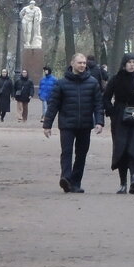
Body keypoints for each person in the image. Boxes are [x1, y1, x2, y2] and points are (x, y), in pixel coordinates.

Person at [42, 53, 104, 193]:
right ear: (72, 64)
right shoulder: (61, 83)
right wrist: (47, 124)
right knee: (67, 152)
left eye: (84, 63)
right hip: (67, 124)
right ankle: (66, 178)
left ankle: (75, 182)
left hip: (85, 124)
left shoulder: (93, 82)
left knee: (81, 154)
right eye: (79, 63)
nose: (82, 65)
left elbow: (98, 104)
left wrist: (99, 122)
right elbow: (53, 105)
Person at [102, 54, 134, 194]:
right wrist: (112, 111)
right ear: (124, 64)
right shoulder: (116, 79)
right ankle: (123, 183)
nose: (131, 65)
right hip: (120, 118)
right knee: (121, 149)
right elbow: (106, 97)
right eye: (129, 62)